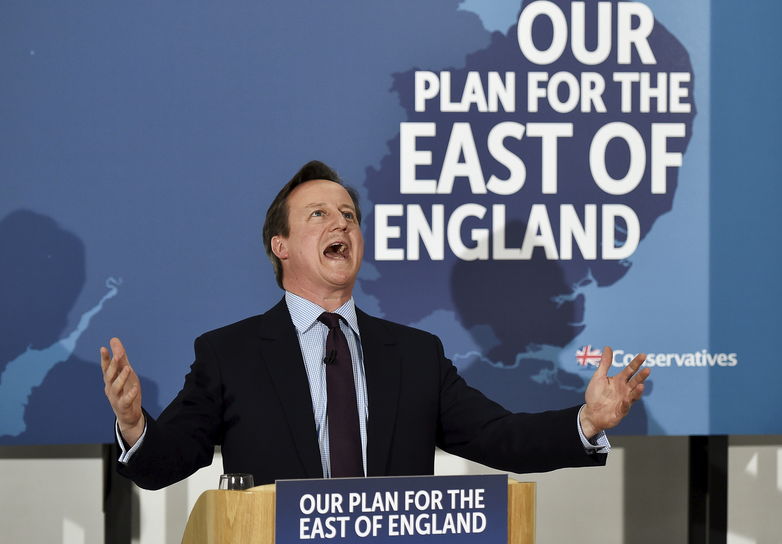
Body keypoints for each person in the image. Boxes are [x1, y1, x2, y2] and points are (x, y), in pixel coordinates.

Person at [101, 160, 650, 489]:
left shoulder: (414, 355)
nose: (341, 221)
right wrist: (133, 425)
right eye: (318, 213)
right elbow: (165, 461)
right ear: (280, 245)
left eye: (349, 216)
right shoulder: (232, 354)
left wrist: (587, 421)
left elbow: (496, 437)